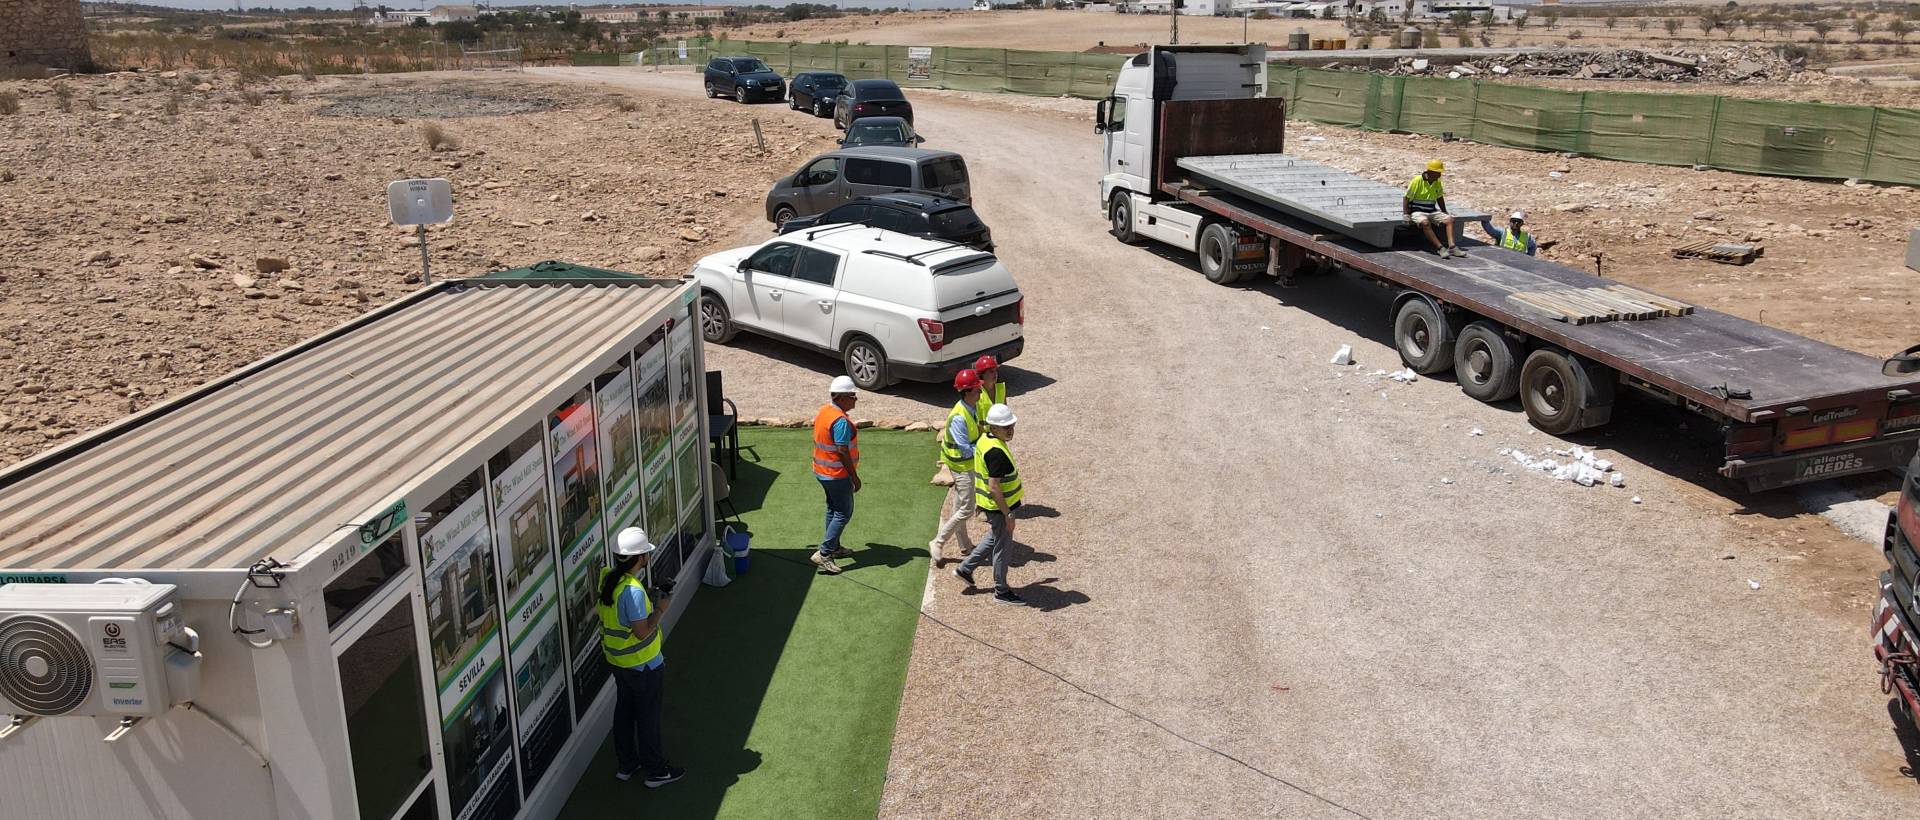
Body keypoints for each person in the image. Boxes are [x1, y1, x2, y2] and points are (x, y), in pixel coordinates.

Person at [599, 527, 684, 788]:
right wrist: (660, 607)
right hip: (643, 667)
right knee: (648, 719)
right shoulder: (633, 592)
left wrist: (647, 596)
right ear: (641, 559)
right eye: (646, 554)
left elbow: (622, 612)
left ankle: (628, 764)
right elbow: (642, 632)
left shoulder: (608, 579)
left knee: (624, 714)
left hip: (619, 664)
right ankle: (656, 771)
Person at [953, 403, 1026, 606]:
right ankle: (1001, 590)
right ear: (993, 428)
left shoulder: (985, 440)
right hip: (1000, 507)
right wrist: (1008, 514)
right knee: (1003, 546)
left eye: (1011, 425)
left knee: (995, 537)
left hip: (991, 505)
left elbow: (983, 476)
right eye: (1006, 427)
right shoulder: (996, 452)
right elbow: (994, 487)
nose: (1010, 430)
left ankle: (965, 569)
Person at [929, 369, 984, 566]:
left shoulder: (971, 407)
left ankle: (965, 545)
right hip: (961, 466)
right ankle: (938, 541)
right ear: (967, 392)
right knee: (967, 508)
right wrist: (986, 445)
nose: (980, 392)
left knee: (960, 504)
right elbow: (966, 450)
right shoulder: (960, 417)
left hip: (963, 464)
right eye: (977, 389)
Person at [811, 375, 861, 575]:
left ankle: (834, 547)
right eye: (852, 396)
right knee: (843, 512)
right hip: (837, 475)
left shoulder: (825, 411)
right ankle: (824, 553)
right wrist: (854, 477)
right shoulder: (840, 421)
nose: (855, 399)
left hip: (822, 473)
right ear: (840, 397)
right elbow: (842, 450)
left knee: (833, 509)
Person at [1404, 159, 1462, 258]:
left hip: (1431, 210)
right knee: (1425, 223)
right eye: (1437, 173)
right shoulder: (1417, 180)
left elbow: (1439, 197)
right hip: (1417, 211)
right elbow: (1406, 197)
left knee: (1450, 220)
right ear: (1430, 172)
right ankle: (1440, 248)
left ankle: (1452, 246)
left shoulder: (1437, 182)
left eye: (1440, 173)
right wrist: (1406, 214)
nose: (1439, 175)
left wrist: (1444, 211)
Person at [972, 354, 1008, 422]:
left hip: (999, 430)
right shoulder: (975, 393)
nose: (995, 374)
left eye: (995, 370)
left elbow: (1005, 412)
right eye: (991, 371)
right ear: (982, 374)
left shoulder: (1001, 388)